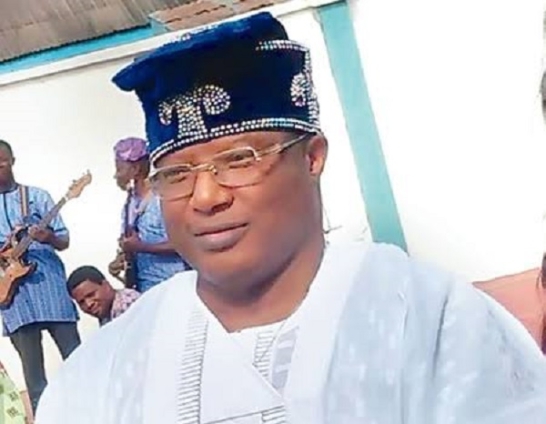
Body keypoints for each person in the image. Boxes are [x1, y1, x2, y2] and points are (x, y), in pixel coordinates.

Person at [35, 13, 546, 424]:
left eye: (239, 161)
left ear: (313, 157)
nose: (205, 196)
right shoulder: (107, 367)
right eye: (177, 174)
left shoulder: (430, 319)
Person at [0, 140, 80, 415]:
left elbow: (64, 240)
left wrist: (49, 237)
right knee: (34, 378)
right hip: (14, 298)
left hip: (50, 288)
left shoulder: (37, 196)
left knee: (76, 358)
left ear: (13, 161)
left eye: (2, 162)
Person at [108, 137, 190, 292]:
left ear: (135, 169)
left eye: (119, 169)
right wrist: (121, 259)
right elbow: (133, 245)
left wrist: (142, 247)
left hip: (174, 287)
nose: (116, 175)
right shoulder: (129, 204)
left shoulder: (163, 199)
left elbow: (186, 243)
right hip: (145, 290)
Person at [67, 265, 140, 326]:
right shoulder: (107, 313)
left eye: (91, 295)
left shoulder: (127, 305)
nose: (88, 304)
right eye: (81, 302)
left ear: (106, 285)